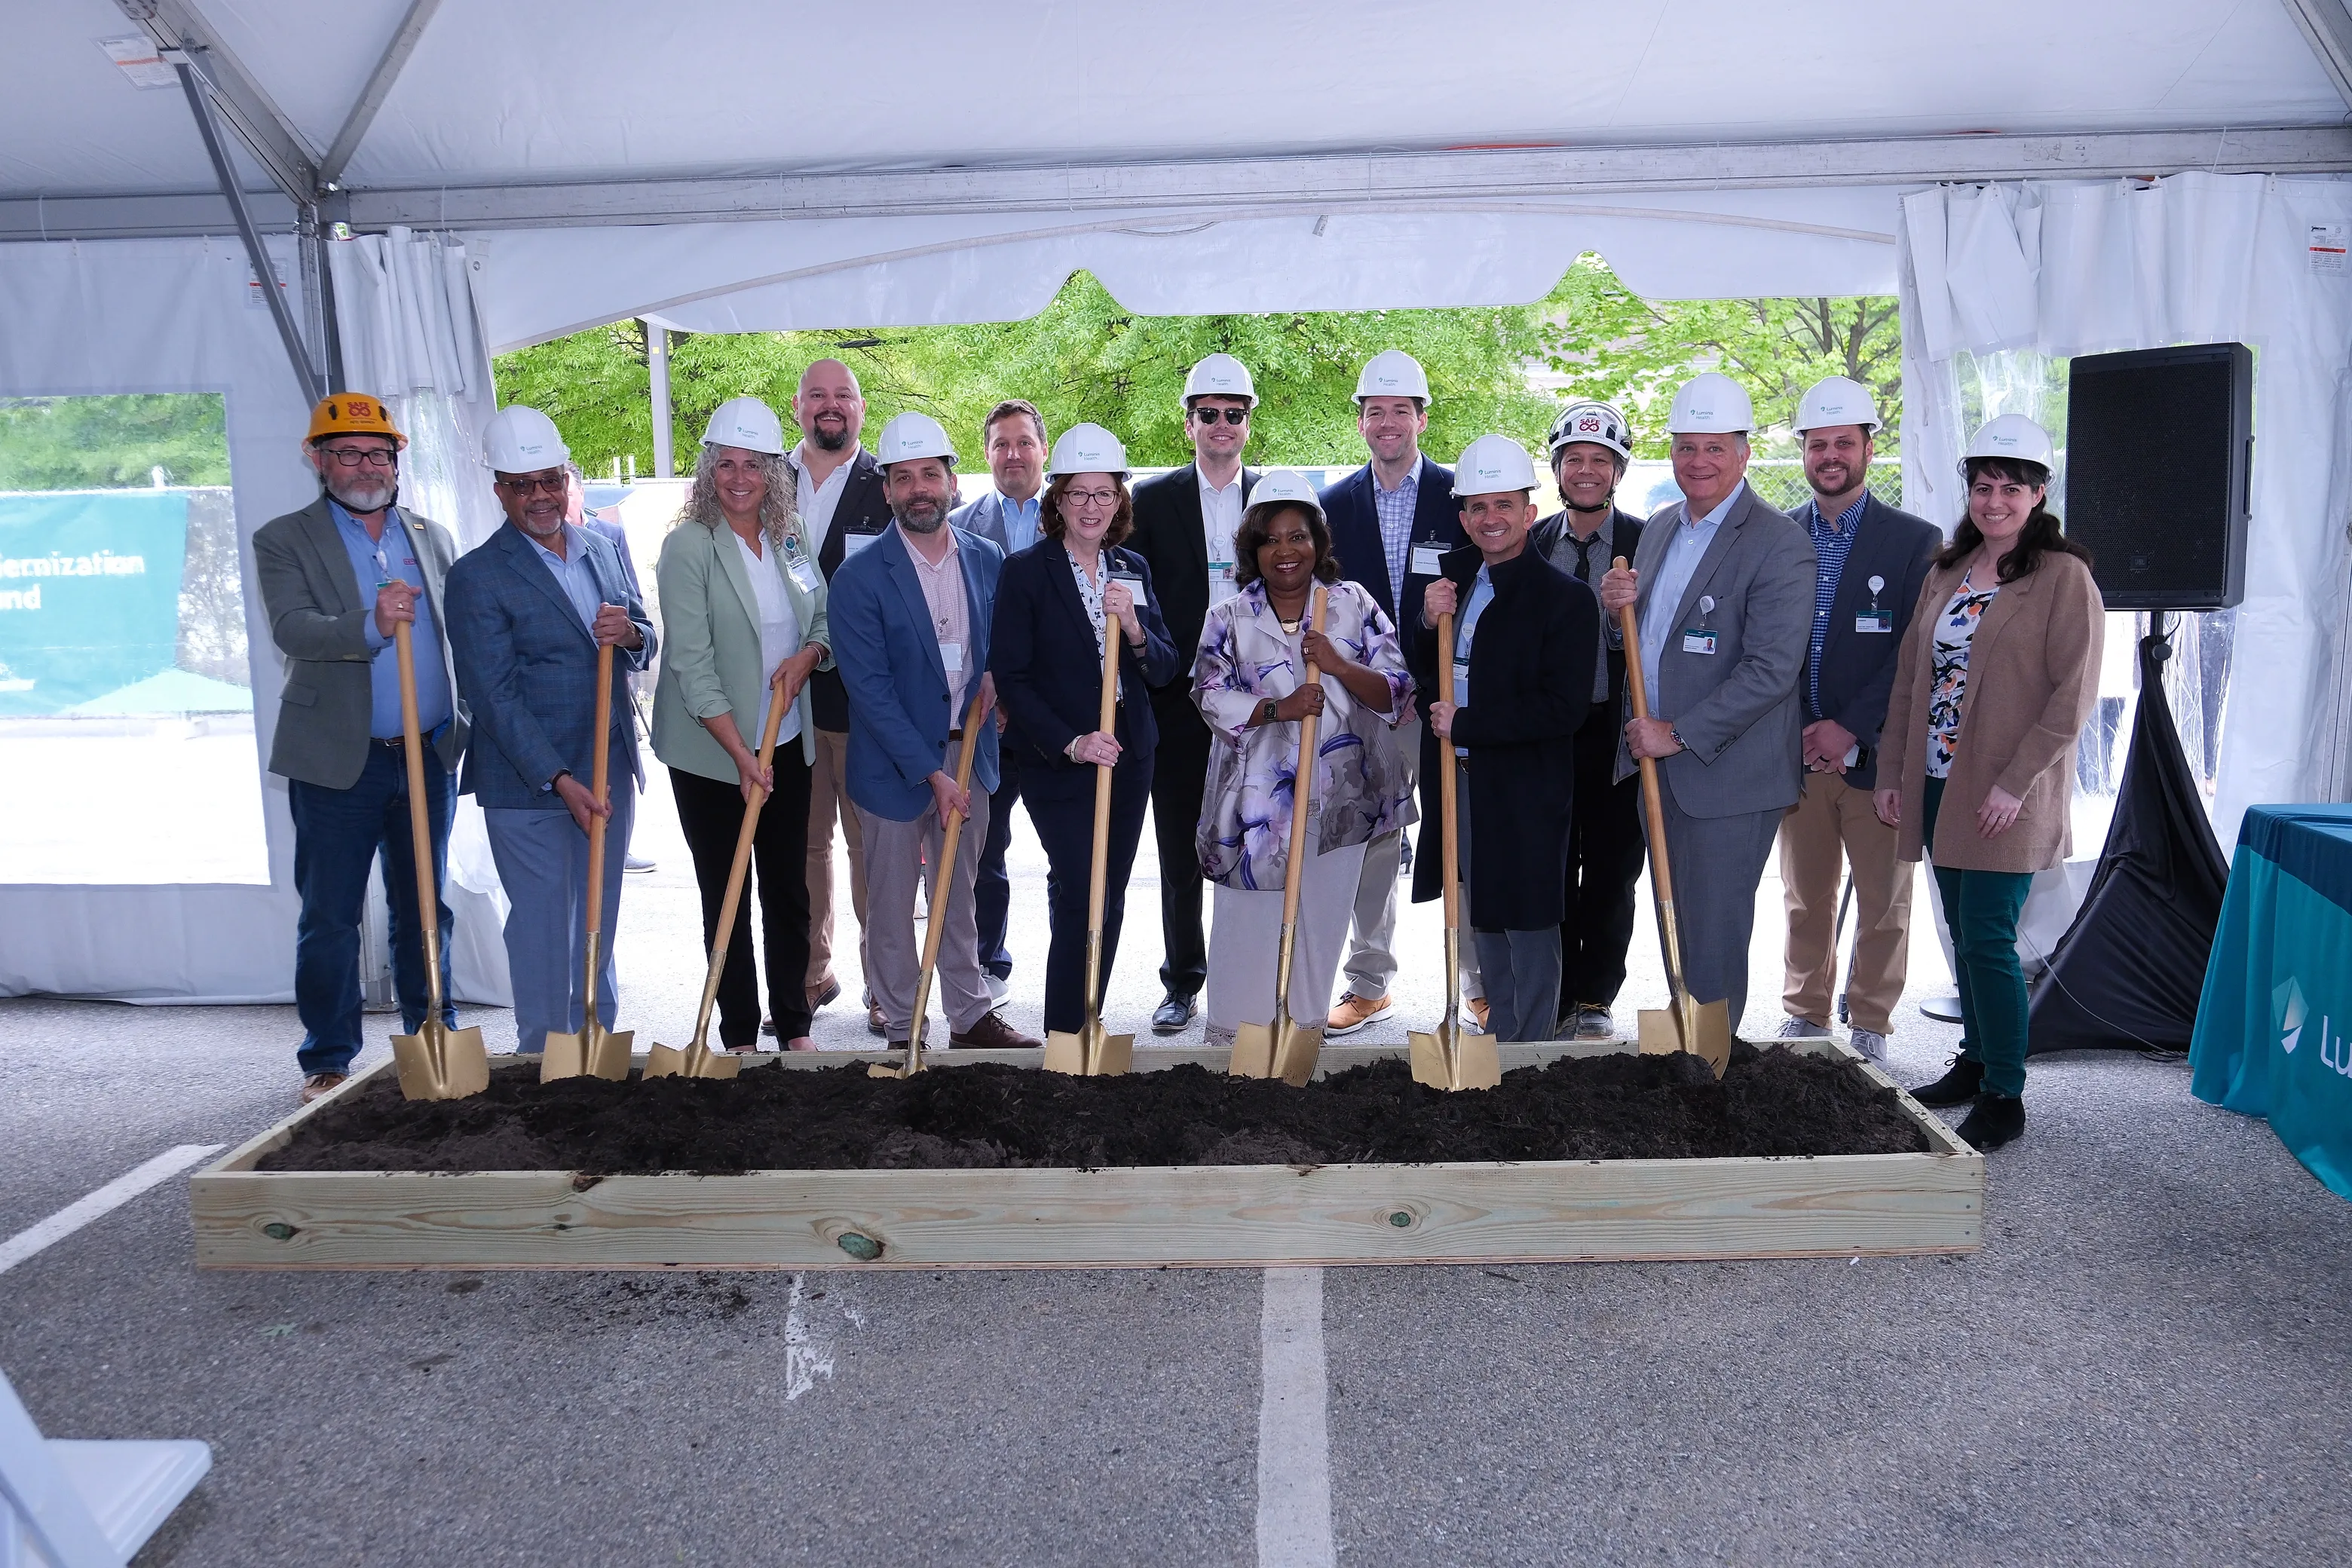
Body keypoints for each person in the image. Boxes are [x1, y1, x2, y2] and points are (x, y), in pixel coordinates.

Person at [1876, 415, 2102, 1150]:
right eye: (1982, 487)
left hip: (2007, 793)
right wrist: (1894, 773)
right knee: (1963, 937)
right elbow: (1910, 680)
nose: (1994, 501)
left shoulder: (2063, 576)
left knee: (1990, 939)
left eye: (2011, 488)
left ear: (2039, 495)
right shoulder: (1948, 571)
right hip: (1939, 783)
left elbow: (2071, 698)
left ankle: (2005, 1091)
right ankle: (1975, 1061)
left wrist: (2014, 783)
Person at [253, 393, 469, 1103]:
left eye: (379, 453)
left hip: (425, 755)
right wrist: (371, 622)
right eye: (348, 452)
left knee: (425, 908)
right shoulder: (284, 538)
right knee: (331, 915)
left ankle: (433, 1035)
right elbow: (292, 629)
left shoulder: (430, 536)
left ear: (396, 462)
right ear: (318, 460)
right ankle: (329, 1057)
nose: (366, 466)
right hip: (337, 760)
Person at [1597, 372, 1813, 1043]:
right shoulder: (1662, 527)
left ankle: (1713, 1068)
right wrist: (1614, 613)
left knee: (1713, 932)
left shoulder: (1778, 542)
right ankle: (1688, 1052)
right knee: (1678, 922)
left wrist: (1680, 732)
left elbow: (1772, 669)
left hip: (1726, 775)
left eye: (1715, 448)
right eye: (1686, 447)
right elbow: (1645, 642)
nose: (1699, 462)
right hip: (1657, 764)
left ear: (1744, 455)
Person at [443, 405, 656, 1055]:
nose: (539, 496)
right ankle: (542, 1056)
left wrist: (631, 635)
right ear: (499, 490)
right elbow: (493, 697)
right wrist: (561, 779)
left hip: (607, 763)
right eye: (522, 485)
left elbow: (645, 637)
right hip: (529, 780)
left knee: (598, 915)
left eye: (549, 481)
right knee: (542, 926)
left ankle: (595, 1044)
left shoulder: (600, 548)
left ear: (566, 479)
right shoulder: (477, 576)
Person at [828, 412, 1039, 1052]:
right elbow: (870, 692)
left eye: (929, 474)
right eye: (903, 478)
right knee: (891, 903)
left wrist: (998, 680)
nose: (918, 489)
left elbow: (1001, 646)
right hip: (895, 766)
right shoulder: (859, 577)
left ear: (951, 480)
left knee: (958, 894)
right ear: (887, 489)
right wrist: (932, 774)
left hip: (969, 752)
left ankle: (969, 1016)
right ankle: (902, 1026)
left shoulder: (987, 559)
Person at [1193, 471, 1413, 1058]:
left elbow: (1396, 691)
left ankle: (1300, 1045)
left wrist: (1339, 664)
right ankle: (1240, 1051)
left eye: (1297, 537)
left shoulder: (1353, 605)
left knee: (1318, 928)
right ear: (1253, 549)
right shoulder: (1228, 616)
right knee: (1246, 925)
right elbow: (1209, 695)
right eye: (1270, 539)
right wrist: (1278, 708)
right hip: (1255, 810)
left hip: (1339, 804)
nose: (1285, 550)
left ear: (1318, 541)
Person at [650, 397, 831, 1052]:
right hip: (711, 754)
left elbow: (820, 618)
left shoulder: (790, 535)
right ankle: (738, 1034)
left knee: (788, 890)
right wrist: (741, 756)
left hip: (784, 741)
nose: (739, 478)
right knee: (726, 890)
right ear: (708, 471)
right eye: (725, 464)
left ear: (773, 471)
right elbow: (692, 666)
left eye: (753, 464)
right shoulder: (688, 546)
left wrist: (810, 657)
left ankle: (794, 1023)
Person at [989, 424, 1179, 1039]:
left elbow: (1164, 668)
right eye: (1079, 493)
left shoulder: (1132, 568)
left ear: (1120, 500)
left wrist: (1136, 628)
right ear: (1058, 499)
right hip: (1061, 757)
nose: (1092, 507)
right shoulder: (1026, 572)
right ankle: (1065, 1034)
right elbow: (1013, 678)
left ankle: (1091, 1014)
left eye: (1105, 494)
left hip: (1129, 751)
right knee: (1080, 887)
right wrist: (1072, 743)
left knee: (1112, 890)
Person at [1772, 377, 1940, 1063]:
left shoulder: (1915, 541)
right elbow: (1767, 642)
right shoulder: (1777, 534)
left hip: (1877, 756)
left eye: (1844, 442)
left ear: (1870, 448)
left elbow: (1913, 649)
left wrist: (1850, 728)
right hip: (1798, 751)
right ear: (1804, 452)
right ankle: (1807, 1013)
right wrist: (1801, 727)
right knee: (1804, 896)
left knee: (1884, 898)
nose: (1831, 455)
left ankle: (1871, 1019)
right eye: (1818, 444)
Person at [1413, 437, 1596, 1044]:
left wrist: (1468, 725)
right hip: (1463, 777)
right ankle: (1501, 1036)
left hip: (1526, 782)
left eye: (1504, 505)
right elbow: (1424, 670)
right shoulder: (1455, 582)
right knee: (1485, 910)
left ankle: (1532, 1048)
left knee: (1529, 914)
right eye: (1478, 507)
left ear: (1529, 512)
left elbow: (1563, 707)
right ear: (1464, 518)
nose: (1490, 518)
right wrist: (1426, 621)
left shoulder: (1565, 600)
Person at [1318, 349, 1463, 1040]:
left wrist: (1427, 679)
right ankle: (1370, 983)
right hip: (1366, 702)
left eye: (1400, 411)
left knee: (1458, 832)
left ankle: (1477, 983)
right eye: (1375, 411)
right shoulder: (1333, 506)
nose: (1387, 423)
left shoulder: (1459, 499)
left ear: (1421, 419)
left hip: (1443, 700)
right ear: (1360, 423)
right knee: (1374, 839)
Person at [1128, 353, 1261, 1034]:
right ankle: (1183, 980)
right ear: (1189, 424)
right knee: (1179, 849)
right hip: (1177, 698)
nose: (1221, 424)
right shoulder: (1151, 501)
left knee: (1257, 842)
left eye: (1233, 413)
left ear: (1248, 422)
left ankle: (1251, 981)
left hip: (1260, 701)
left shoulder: (1274, 497)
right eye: (1208, 413)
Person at [1531, 400, 1646, 1040]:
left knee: (1611, 869)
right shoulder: (1533, 542)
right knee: (1549, 865)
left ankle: (1594, 996)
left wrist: (1626, 615)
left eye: (1600, 460)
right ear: (1556, 468)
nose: (1586, 470)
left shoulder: (1647, 542)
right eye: (1573, 458)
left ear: (1618, 471)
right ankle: (1550, 992)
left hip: (1616, 731)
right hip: (1547, 733)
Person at [786, 359, 895, 1029]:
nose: (831, 406)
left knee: (872, 849)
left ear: (861, 408)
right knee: (803, 847)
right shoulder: (765, 480)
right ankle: (810, 973)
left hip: (862, 703)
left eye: (844, 396)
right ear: (797, 406)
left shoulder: (889, 484)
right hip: (785, 701)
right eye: (818, 395)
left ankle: (885, 985)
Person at [949, 399, 1052, 997]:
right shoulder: (957, 526)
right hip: (986, 719)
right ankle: (987, 964)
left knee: (1071, 853)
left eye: (1024, 442)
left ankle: (1078, 977)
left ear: (1043, 449)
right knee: (982, 851)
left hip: (1055, 719)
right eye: (1001, 444)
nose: (1013, 455)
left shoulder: (1075, 518)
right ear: (987, 454)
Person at [565, 461, 656, 874]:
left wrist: (629, 634)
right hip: (555, 744)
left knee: (606, 881)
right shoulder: (491, 564)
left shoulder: (606, 540)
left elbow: (639, 621)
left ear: (579, 492)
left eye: (563, 487)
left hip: (612, 719)